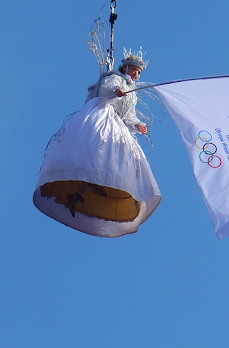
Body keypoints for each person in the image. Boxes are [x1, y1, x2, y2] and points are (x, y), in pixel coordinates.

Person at [33, 50, 162, 237]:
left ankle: (84, 190)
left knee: (114, 157)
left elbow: (128, 114)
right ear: (125, 67)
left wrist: (137, 124)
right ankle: (89, 182)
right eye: (134, 70)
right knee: (100, 149)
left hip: (118, 122)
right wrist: (115, 92)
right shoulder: (115, 78)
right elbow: (105, 92)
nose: (136, 74)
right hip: (103, 116)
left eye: (138, 72)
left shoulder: (132, 92)